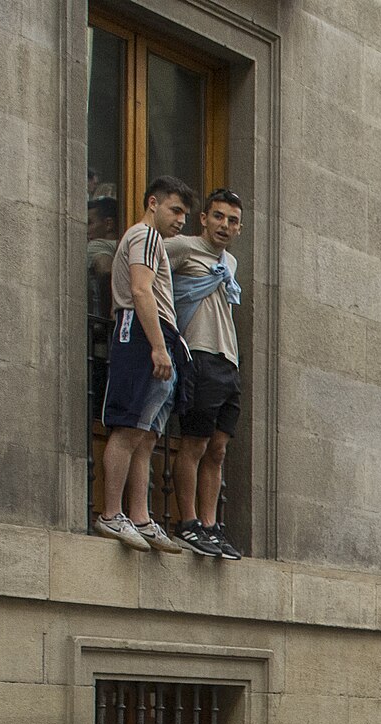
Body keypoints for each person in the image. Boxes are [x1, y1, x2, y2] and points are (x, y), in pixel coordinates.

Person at [91, 175, 194, 554]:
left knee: (147, 435)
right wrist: (157, 347)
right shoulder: (145, 236)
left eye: (185, 213)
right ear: (153, 203)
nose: (181, 220)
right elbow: (139, 290)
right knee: (130, 428)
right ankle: (112, 513)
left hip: (159, 333)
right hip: (141, 332)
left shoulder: (152, 241)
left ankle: (140, 516)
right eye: (175, 209)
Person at [166, 188, 244, 560]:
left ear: (239, 228)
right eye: (218, 216)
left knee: (218, 448)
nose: (224, 225)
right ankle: (188, 523)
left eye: (232, 220)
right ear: (204, 218)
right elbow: (145, 269)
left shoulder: (230, 264)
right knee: (194, 443)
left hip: (228, 360)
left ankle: (210, 526)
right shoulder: (181, 247)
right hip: (198, 353)